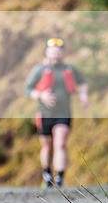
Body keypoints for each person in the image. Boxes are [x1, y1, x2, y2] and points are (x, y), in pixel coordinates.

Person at [24, 38, 89, 188]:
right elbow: (27, 90)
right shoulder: (39, 70)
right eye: (53, 51)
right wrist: (41, 95)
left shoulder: (69, 68)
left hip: (63, 113)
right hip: (45, 114)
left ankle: (60, 177)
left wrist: (84, 95)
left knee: (60, 143)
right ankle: (47, 173)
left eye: (59, 51)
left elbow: (82, 82)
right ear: (47, 52)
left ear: (63, 52)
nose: (56, 54)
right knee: (47, 146)